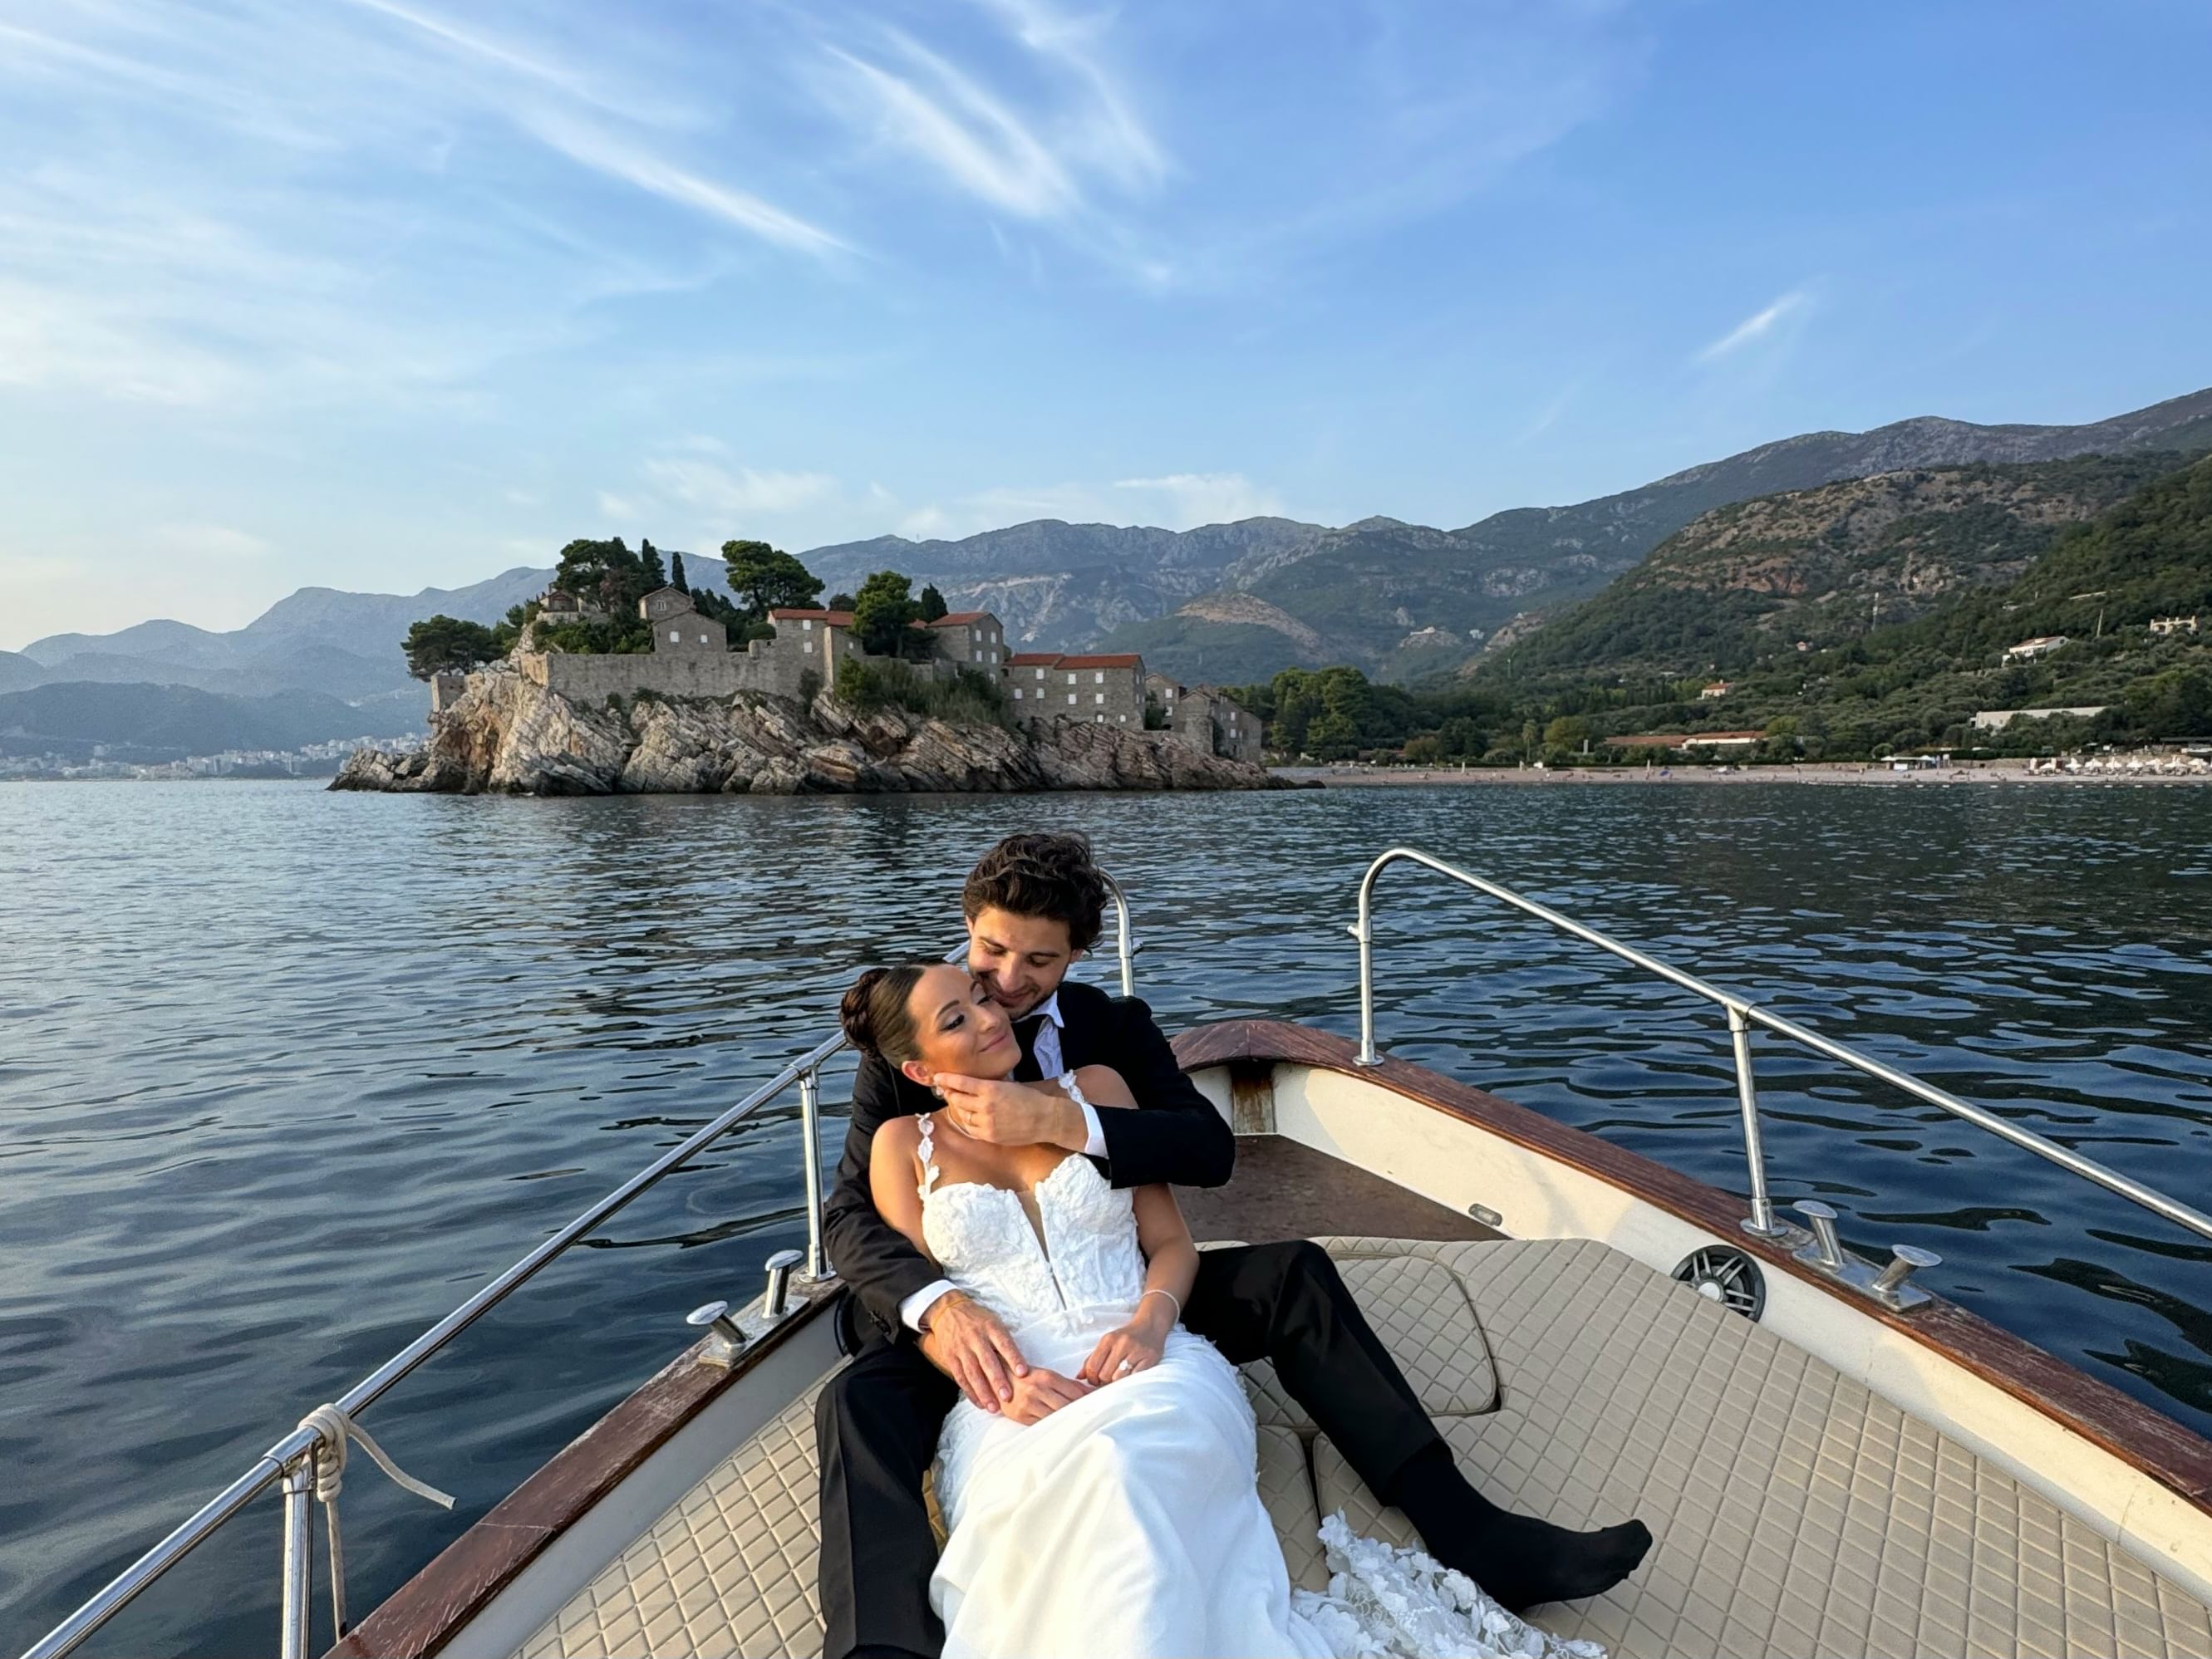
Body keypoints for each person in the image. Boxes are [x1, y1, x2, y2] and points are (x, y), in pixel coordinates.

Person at [816, 834, 1649, 1659]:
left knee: (1295, 1273)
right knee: (857, 1400)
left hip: (1117, 1289)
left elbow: (1207, 1148)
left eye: (1038, 959)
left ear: (1074, 955)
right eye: (991, 948)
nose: (1004, 980)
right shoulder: (912, 1041)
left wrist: (1066, 1121)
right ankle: (881, 1644)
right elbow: (850, 1219)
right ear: (967, 926)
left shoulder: (1113, 1033)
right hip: (977, 1316)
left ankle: (1472, 1530)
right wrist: (939, 1308)